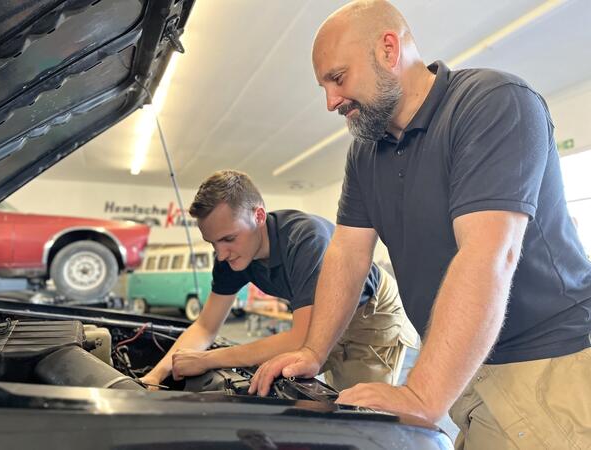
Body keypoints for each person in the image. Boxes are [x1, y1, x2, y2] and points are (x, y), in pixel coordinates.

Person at [248, 1, 591, 449]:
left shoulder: (491, 103)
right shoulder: (365, 153)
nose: (330, 101)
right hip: (464, 366)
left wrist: (421, 393)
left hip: (543, 365)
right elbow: (347, 253)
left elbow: (488, 254)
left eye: (337, 78)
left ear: (388, 49)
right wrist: (314, 351)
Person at [140, 169, 418, 392]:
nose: (221, 254)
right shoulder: (229, 257)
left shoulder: (305, 240)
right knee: (281, 382)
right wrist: (156, 375)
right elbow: (204, 326)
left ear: (258, 216)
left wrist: (208, 358)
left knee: (356, 407)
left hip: (369, 312)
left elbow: (302, 338)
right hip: (319, 316)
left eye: (228, 239)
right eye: (213, 243)